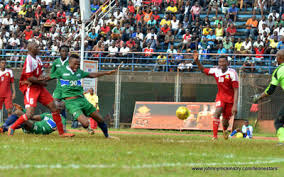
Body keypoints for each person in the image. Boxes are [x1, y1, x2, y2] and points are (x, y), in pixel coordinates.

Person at [7, 42, 74, 137]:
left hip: (39, 87)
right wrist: (42, 82)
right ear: (30, 48)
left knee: (54, 108)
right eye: (36, 46)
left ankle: (62, 133)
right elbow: (29, 77)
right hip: (31, 88)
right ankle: (12, 127)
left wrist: (44, 78)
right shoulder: (29, 60)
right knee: (29, 113)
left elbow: (41, 73)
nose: (39, 48)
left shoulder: (37, 58)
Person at [46, 54, 119, 139]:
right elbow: (48, 77)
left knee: (100, 119)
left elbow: (91, 75)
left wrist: (106, 73)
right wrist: (35, 80)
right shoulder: (61, 71)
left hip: (82, 100)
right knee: (86, 123)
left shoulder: (79, 72)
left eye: (78, 64)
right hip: (71, 102)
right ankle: (86, 127)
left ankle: (107, 136)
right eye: (75, 64)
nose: (77, 66)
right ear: (69, 62)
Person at [193, 51, 239, 140]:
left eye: (223, 62)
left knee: (225, 121)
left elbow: (236, 90)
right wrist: (197, 61)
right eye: (219, 62)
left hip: (230, 99)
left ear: (227, 63)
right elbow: (203, 70)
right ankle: (215, 137)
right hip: (220, 97)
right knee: (217, 112)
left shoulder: (232, 73)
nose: (221, 64)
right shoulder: (216, 70)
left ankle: (225, 131)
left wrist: (235, 105)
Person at [252, 49, 284, 144]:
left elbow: (270, 90)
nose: (276, 59)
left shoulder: (278, 70)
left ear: (280, 58)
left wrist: (259, 96)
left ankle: (282, 141)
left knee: (278, 122)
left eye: (276, 57)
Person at [0, 102, 66, 135]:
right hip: (33, 125)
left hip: (39, 130)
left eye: (55, 106)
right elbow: (32, 117)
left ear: (59, 109)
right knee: (21, 118)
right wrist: (23, 110)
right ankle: (3, 129)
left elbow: (63, 129)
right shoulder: (47, 114)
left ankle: (3, 128)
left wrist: (56, 128)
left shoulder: (62, 119)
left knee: (18, 112)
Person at [50, 45, 69, 119]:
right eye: (63, 51)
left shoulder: (70, 62)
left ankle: (63, 124)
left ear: (68, 52)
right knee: (54, 105)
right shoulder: (56, 62)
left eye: (66, 51)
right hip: (58, 87)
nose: (64, 53)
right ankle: (52, 123)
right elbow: (52, 74)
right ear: (60, 52)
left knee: (63, 107)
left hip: (67, 88)